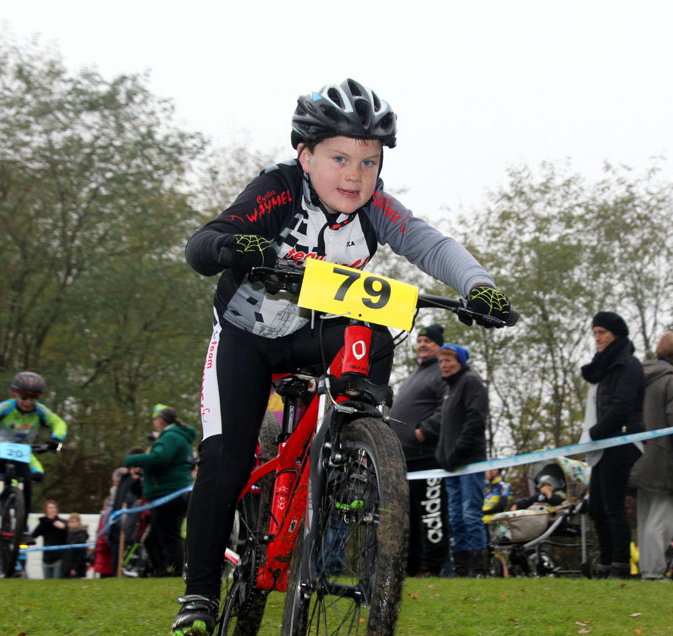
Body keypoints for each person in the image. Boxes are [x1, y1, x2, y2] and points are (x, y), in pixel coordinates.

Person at [173, 78, 514, 634]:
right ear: (304, 155)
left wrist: (479, 286)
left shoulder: (375, 208)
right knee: (225, 460)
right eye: (339, 158)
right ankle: (199, 597)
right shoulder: (278, 190)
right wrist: (234, 244)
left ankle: (352, 452)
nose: (355, 175)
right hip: (246, 339)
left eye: (369, 162)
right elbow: (206, 241)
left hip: (315, 333)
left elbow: (430, 244)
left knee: (377, 331)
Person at [579, 311, 644, 579]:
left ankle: (620, 566)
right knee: (596, 507)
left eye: (602, 332)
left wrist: (595, 433)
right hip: (602, 443)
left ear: (615, 334)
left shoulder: (629, 364)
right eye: (594, 333)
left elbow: (621, 405)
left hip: (621, 441)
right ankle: (605, 563)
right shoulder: (602, 367)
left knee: (613, 506)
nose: (597, 338)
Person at [0, 372, 66, 547]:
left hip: (22, 452)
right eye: (23, 397)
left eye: (33, 398)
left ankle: (22, 529)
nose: (28, 402)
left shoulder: (40, 411)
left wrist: (56, 439)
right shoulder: (6, 407)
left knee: (28, 489)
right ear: (15, 394)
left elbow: (59, 422)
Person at [628, 331, 673, 580]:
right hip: (667, 462)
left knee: (646, 520)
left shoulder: (642, 379)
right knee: (662, 520)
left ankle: (647, 569)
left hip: (641, 457)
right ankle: (654, 573)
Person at [389, 323, 449, 577]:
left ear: (439, 346)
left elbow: (449, 407)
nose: (422, 344)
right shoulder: (414, 375)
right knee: (409, 518)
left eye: (429, 341)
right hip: (404, 460)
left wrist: (423, 431)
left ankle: (433, 568)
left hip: (428, 458)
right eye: (420, 340)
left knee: (432, 515)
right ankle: (412, 568)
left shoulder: (443, 372)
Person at [434, 343, 489, 578]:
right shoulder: (448, 390)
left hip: (470, 462)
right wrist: (441, 454)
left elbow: (475, 421)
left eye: (448, 360)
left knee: (470, 513)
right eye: (441, 362)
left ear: (461, 361)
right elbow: (446, 429)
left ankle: (480, 568)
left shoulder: (471, 382)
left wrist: (457, 452)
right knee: (455, 517)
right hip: (451, 467)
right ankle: (462, 568)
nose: (444, 365)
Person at [125, 405, 196, 578]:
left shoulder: (171, 436)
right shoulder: (173, 436)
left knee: (169, 535)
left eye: (155, 419)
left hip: (170, 495)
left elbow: (159, 458)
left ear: (161, 421)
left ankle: (178, 569)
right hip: (166, 494)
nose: (153, 422)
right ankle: (162, 569)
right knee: (153, 539)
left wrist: (132, 459)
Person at [108, 446, 144, 575]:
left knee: (128, 556)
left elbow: (135, 499)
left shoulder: (140, 479)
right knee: (116, 556)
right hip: (117, 525)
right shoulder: (124, 478)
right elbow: (118, 501)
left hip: (131, 526)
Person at [31, 499, 68, 578]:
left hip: (59, 558)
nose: (52, 510)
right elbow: (34, 535)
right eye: (50, 508)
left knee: (56, 582)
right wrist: (45, 522)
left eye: (54, 508)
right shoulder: (43, 523)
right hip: (46, 557)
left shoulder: (63, 522)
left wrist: (64, 528)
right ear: (46, 510)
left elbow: (68, 537)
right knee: (47, 582)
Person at [61, 512, 89, 578]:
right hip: (67, 567)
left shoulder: (81, 535)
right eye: (69, 522)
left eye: (73, 522)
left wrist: (75, 568)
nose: (70, 524)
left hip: (76, 569)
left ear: (79, 522)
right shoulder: (69, 533)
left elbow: (81, 554)